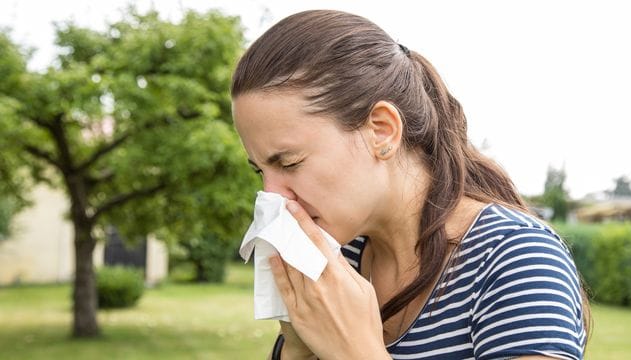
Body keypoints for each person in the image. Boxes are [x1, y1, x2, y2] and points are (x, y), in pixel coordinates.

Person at [231, 9, 589, 360]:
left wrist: (355, 352)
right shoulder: (342, 258)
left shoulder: (515, 258)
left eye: (289, 162)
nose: (272, 194)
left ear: (382, 130)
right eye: (259, 170)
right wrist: (296, 349)